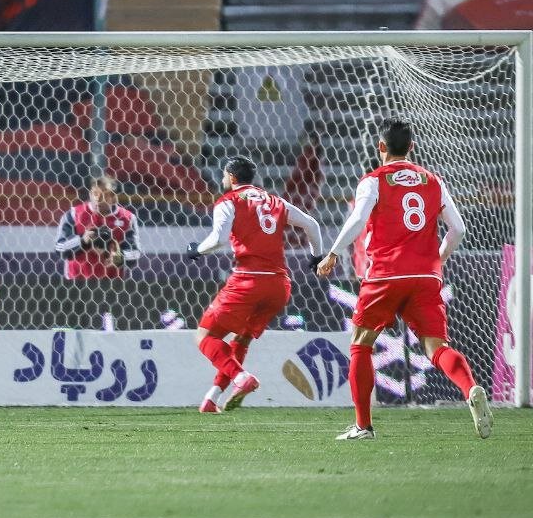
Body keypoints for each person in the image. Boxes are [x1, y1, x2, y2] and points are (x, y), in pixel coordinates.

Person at [317, 118, 491, 440]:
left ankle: (363, 426)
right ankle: (470, 388)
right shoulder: (433, 180)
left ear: (381, 147)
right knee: (437, 347)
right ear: (411, 147)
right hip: (426, 276)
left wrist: (334, 252)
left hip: (386, 274)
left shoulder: (373, 180)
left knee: (361, 343)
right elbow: (459, 229)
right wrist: (437, 259)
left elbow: (358, 219)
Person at [186, 156, 322, 413]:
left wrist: (197, 250)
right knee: (242, 339)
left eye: (224, 175)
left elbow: (219, 239)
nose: (223, 179)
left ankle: (241, 378)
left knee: (205, 336)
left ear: (231, 177)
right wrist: (316, 257)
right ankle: (212, 398)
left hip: (248, 280)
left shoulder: (228, 201)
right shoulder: (275, 201)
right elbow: (311, 224)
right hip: (279, 285)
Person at [55, 175, 140, 279]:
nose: (98, 199)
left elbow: (135, 253)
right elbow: (59, 248)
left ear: (113, 197)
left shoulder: (127, 218)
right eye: (95, 194)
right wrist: (82, 240)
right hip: (77, 282)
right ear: (90, 194)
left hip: (113, 283)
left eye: (104, 195)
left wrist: (119, 258)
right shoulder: (74, 214)